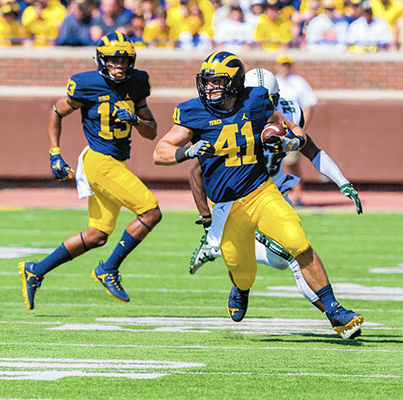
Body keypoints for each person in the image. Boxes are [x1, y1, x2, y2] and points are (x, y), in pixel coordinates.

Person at [153, 51, 364, 339]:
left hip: (260, 191)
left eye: (218, 82)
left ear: (236, 83)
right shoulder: (194, 111)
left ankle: (335, 311)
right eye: (208, 81)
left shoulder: (255, 100)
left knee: (297, 243)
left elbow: (295, 133)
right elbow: (160, 151)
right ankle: (240, 288)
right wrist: (186, 151)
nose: (210, 87)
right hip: (225, 205)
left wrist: (285, 141)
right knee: (242, 270)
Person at [18, 32, 161, 310]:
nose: (118, 65)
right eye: (112, 59)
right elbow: (56, 112)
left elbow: (151, 131)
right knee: (151, 211)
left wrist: (134, 119)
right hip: (99, 162)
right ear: (101, 60)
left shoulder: (138, 82)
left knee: (97, 234)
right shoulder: (85, 83)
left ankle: (35, 270)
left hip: (117, 162)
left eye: (123, 59)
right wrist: (55, 152)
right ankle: (109, 269)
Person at [274, 54, 317, 206]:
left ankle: (297, 195)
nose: (285, 67)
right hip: (274, 129)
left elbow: (308, 105)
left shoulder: (298, 83)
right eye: (282, 64)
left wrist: (300, 128)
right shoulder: (273, 82)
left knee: (291, 163)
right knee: (272, 164)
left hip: (291, 130)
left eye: (287, 64)